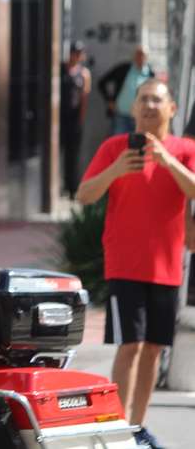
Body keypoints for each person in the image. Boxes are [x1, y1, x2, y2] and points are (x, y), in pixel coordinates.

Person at [76, 78, 195, 449]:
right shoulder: (114, 147)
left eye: (156, 100)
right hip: (124, 264)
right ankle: (116, 428)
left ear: (171, 109)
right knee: (130, 345)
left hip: (166, 267)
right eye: (142, 99)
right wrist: (115, 171)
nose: (148, 106)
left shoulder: (185, 149)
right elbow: (84, 194)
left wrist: (168, 160)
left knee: (154, 349)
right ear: (133, 109)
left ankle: (137, 427)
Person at [97, 45, 154, 135]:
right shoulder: (124, 69)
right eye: (138, 54)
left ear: (147, 57)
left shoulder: (150, 75)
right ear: (134, 56)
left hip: (139, 119)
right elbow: (102, 82)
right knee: (118, 144)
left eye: (143, 55)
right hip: (121, 116)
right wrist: (109, 100)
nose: (141, 57)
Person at [60, 41, 91, 199]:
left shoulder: (84, 73)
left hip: (73, 118)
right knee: (59, 153)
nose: (76, 56)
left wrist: (80, 119)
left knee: (72, 155)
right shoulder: (61, 69)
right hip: (60, 119)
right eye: (74, 52)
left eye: (79, 53)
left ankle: (71, 187)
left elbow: (84, 98)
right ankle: (59, 185)